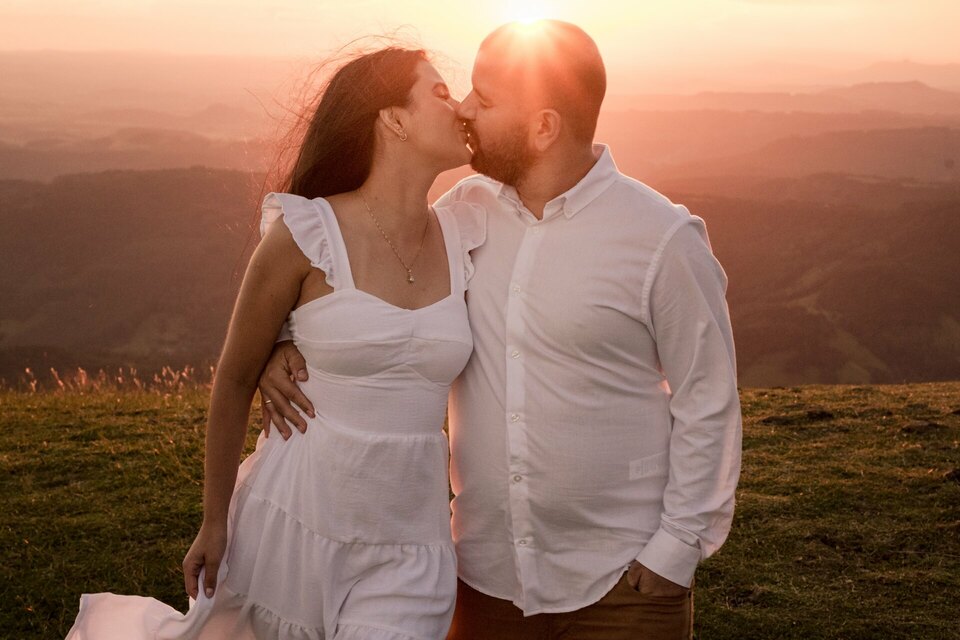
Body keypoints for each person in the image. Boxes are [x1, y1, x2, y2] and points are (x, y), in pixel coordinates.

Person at [260, 21, 742, 640]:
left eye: (484, 101)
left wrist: (675, 552)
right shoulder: (462, 217)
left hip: (626, 587)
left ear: (543, 127)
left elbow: (709, 401)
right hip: (482, 581)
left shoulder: (662, 240)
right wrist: (284, 333)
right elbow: (353, 253)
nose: (463, 108)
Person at [66, 46, 484, 640]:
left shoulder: (469, 231)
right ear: (393, 119)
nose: (461, 106)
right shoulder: (308, 233)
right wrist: (214, 522)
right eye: (440, 93)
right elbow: (235, 376)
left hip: (411, 541)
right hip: (296, 522)